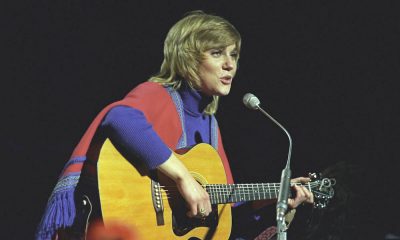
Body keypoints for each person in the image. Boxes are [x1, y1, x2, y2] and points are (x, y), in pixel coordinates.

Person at [36, 10, 314, 240]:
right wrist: (183, 178)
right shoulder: (158, 94)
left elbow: (222, 199)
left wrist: (277, 197)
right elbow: (119, 118)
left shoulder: (210, 124)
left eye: (234, 55)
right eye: (217, 53)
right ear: (189, 58)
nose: (230, 65)